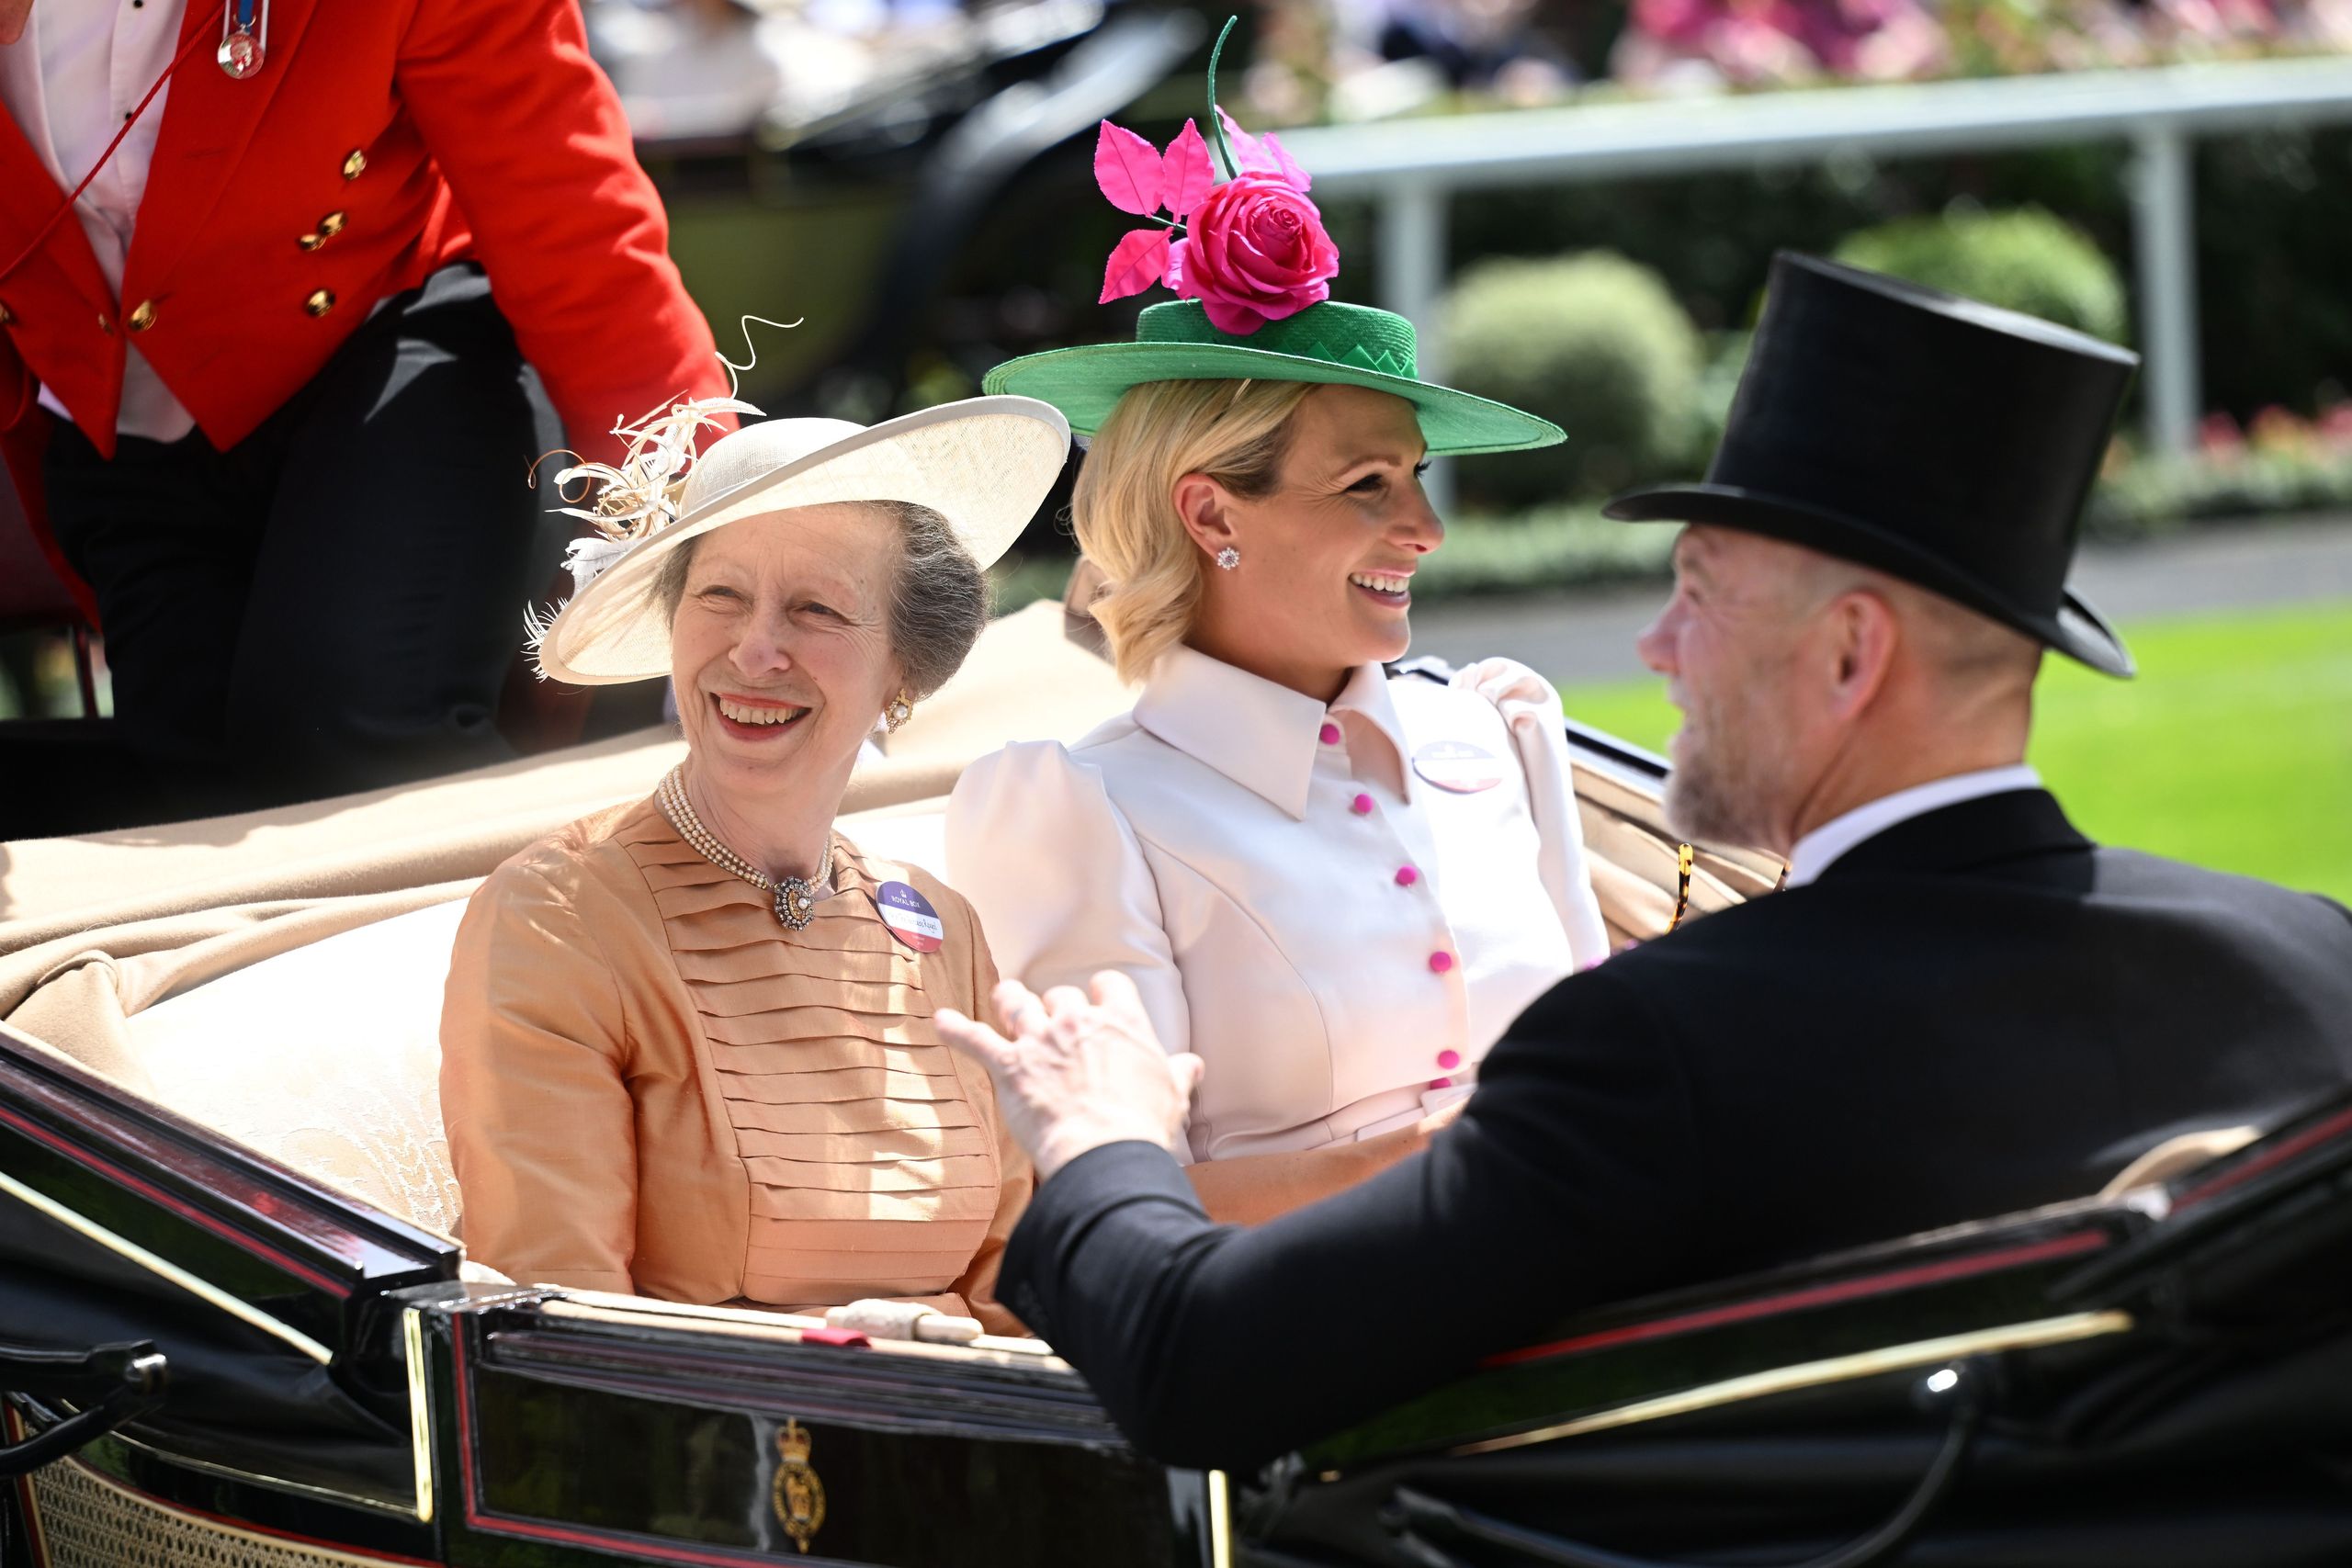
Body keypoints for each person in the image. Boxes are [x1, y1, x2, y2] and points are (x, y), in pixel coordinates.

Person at [933, 254, 2352, 1465]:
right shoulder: (2318, 961)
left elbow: (1200, 1363)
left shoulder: (1672, 1039)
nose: (1656, 650)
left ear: (1853, 652)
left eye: (1695, 595)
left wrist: (1101, 1134)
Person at [945, 85, 1608, 1226]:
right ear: (1210, 516)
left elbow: (1612, 1080)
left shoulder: (1493, 727)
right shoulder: (1073, 809)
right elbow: (1110, 1213)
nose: (1426, 531)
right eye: (1367, 487)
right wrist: (1443, 1163)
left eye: (1417, 478)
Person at [0, 0, 732, 836]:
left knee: (355, 738)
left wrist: (713, 563)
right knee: (198, 810)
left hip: (389, 344)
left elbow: (577, 227)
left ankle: (622, 938)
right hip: (115, 421)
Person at [439, 394, 1069, 1332]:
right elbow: (558, 1324)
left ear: (904, 667)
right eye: (721, 596)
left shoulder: (941, 926)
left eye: (816, 609)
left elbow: (1015, 1284)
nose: (754, 648)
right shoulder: (557, 915)